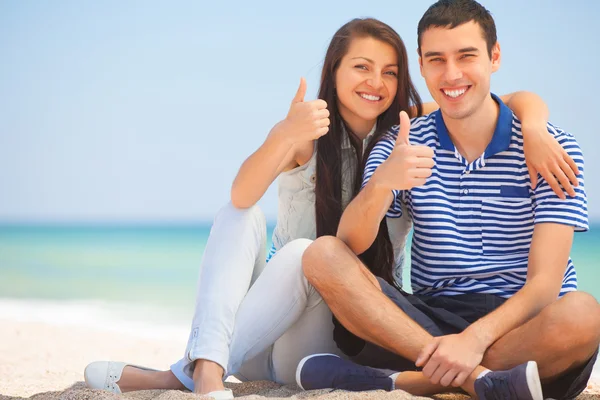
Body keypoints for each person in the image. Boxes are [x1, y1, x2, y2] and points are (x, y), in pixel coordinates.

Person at [83, 17, 579, 399]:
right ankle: (203, 370)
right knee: (257, 225)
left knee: (315, 253)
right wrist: (283, 134)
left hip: (339, 329)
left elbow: (500, 97)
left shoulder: (410, 126)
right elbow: (240, 195)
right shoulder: (310, 132)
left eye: (389, 71)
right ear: (334, 71)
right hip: (267, 323)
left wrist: (533, 129)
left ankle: (182, 376)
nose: (376, 82)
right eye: (360, 67)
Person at [298, 2, 599, 400]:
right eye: (437, 59)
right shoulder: (401, 142)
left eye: (466, 56)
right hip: (430, 318)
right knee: (322, 255)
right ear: (421, 66)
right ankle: (480, 382)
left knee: (583, 313)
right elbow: (351, 244)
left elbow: (545, 286)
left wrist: (475, 340)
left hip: (525, 324)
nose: (452, 74)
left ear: (494, 57)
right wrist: (383, 184)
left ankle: (411, 381)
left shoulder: (550, 148)